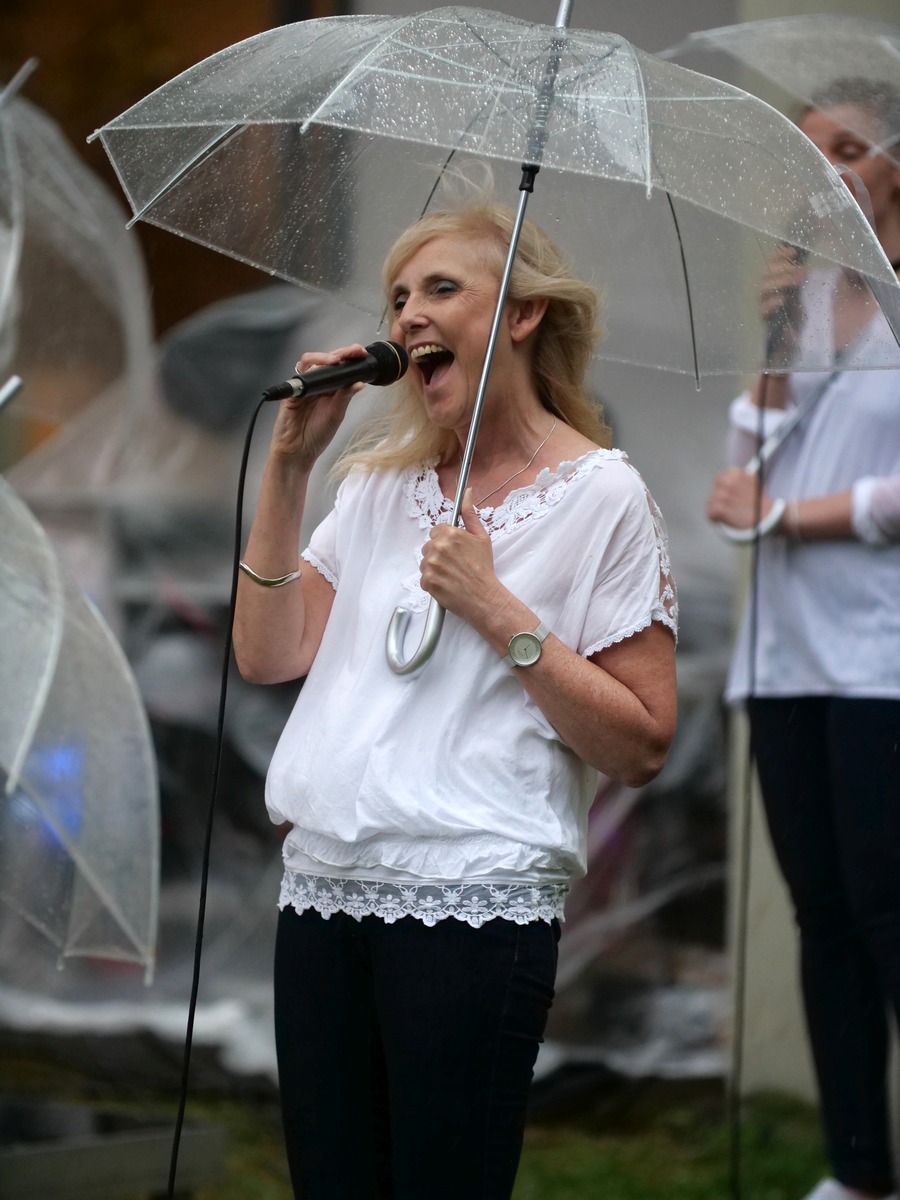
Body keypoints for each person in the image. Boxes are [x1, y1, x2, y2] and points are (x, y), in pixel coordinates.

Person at [234, 200, 678, 1200]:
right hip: (324, 888)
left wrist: (499, 611)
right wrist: (289, 468)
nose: (407, 319)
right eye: (397, 298)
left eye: (441, 289)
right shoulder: (374, 486)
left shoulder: (603, 495)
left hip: (476, 903)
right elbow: (267, 656)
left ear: (522, 314)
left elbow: (643, 744)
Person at [706, 79, 900, 1200]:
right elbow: (748, 466)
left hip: (878, 661)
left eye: (850, 146)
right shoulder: (807, 302)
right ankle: (860, 1171)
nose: (823, 166)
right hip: (781, 659)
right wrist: (775, 335)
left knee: (886, 910)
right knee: (821, 917)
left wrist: (790, 518)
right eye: (809, 147)